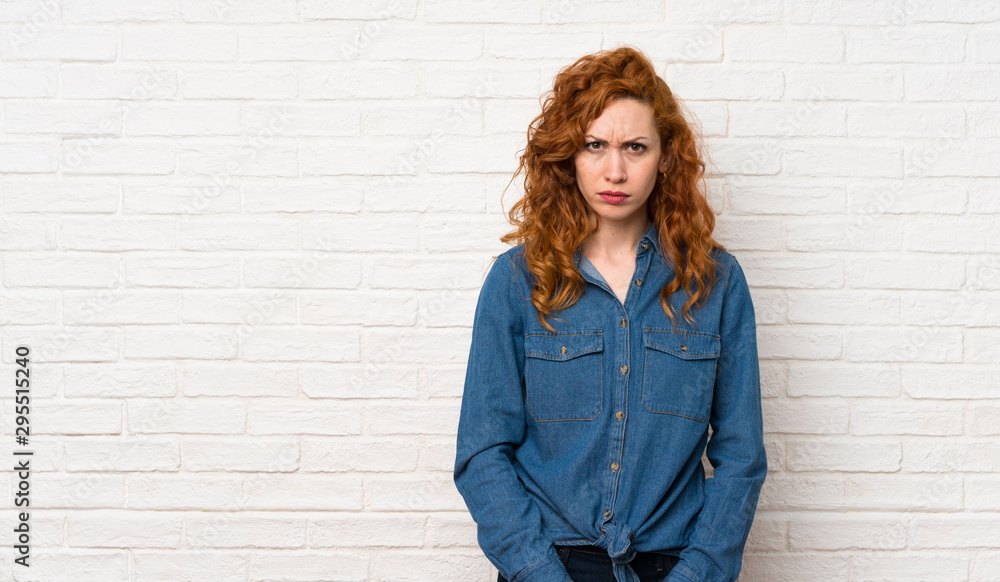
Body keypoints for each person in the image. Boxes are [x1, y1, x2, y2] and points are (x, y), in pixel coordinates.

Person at [453, 46, 767, 582]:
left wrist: (697, 572)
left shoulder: (715, 282)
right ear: (569, 156)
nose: (614, 169)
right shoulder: (517, 280)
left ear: (666, 157)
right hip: (549, 566)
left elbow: (742, 457)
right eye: (594, 145)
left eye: (636, 147)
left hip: (674, 568)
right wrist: (538, 572)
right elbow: (482, 453)